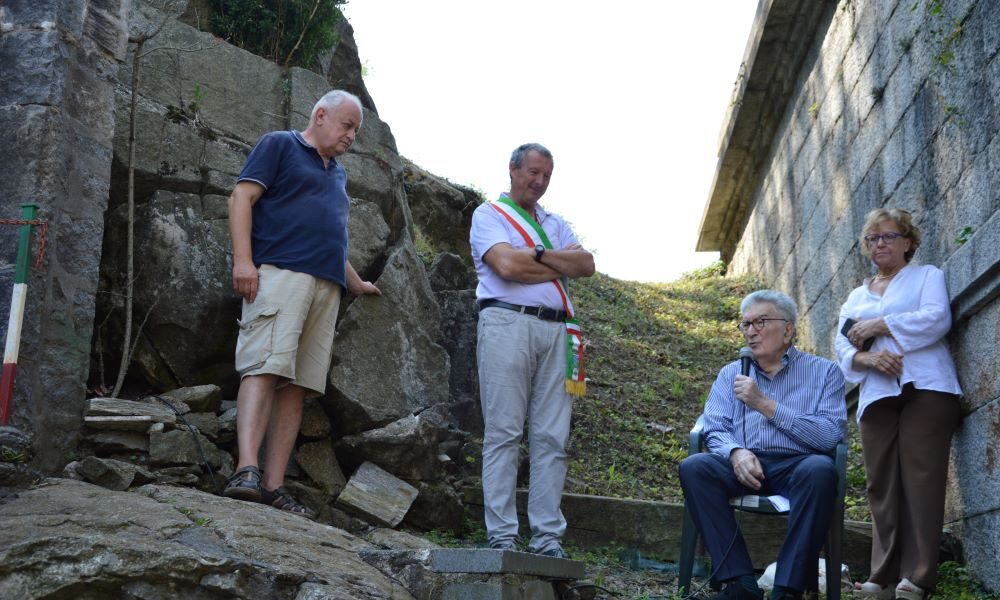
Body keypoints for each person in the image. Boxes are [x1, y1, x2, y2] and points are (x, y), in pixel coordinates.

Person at [222, 90, 381, 519]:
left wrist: (356, 283)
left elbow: (331, 236)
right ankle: (245, 470)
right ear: (321, 115)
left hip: (326, 287)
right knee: (264, 365)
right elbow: (241, 198)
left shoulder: (338, 174)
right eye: (347, 126)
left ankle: (273, 485)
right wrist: (243, 260)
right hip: (281, 274)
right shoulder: (280, 144)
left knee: (298, 384)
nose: (352, 136)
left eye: (356, 131)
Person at [679, 289, 847, 600]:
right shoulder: (731, 373)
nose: (751, 332)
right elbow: (714, 426)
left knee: (820, 470)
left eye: (761, 322)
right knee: (695, 467)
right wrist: (735, 452)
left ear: (788, 329)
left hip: (798, 465)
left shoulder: (824, 373)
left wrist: (765, 405)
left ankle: (787, 589)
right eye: (746, 325)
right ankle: (739, 585)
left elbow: (828, 436)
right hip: (744, 463)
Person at [469, 142, 595, 558]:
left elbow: (586, 265)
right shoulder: (489, 215)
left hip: (559, 332)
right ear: (513, 169)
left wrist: (536, 255)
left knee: (552, 438)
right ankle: (502, 534)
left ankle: (546, 538)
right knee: (504, 432)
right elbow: (506, 266)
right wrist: (556, 260)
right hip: (507, 322)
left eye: (546, 176)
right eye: (533, 173)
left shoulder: (554, 223)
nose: (539, 182)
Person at [836, 209, 961, 600]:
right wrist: (866, 359)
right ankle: (882, 577)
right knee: (881, 485)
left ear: (908, 242)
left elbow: (937, 319)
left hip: (927, 386)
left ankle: (918, 577)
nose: (880, 245)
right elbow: (841, 344)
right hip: (877, 394)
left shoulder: (927, 277)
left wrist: (881, 325)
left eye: (889, 236)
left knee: (922, 478)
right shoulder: (855, 297)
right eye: (873, 239)